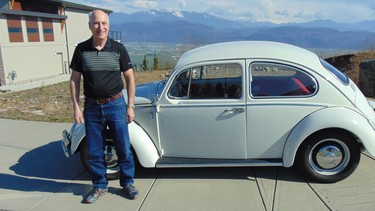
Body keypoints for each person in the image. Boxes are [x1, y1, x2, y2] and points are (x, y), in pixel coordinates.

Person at [69, 9, 138, 203]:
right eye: (96, 23)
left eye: (104, 23)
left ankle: (128, 183)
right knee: (94, 150)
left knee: (123, 147)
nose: (101, 27)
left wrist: (130, 105)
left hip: (116, 105)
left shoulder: (118, 49)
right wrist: (75, 106)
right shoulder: (81, 50)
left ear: (109, 25)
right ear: (90, 26)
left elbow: (130, 78)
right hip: (91, 108)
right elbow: (74, 80)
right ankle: (99, 186)